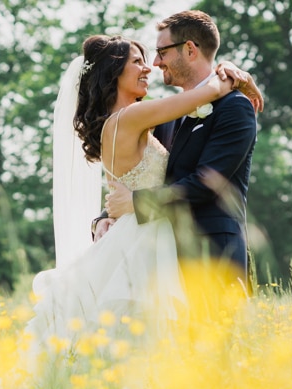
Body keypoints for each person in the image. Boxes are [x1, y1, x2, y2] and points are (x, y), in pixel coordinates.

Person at [25, 32, 261, 352]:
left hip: (152, 237)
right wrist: (230, 73)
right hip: (148, 242)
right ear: (113, 73)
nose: (149, 66)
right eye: (137, 61)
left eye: (153, 56)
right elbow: (208, 93)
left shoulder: (134, 119)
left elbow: (129, 187)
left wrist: (107, 216)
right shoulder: (134, 118)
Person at [105, 10, 260, 283]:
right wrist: (106, 217)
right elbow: (145, 174)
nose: (155, 62)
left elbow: (206, 183)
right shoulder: (167, 114)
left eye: (162, 52)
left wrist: (134, 202)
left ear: (189, 49)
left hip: (214, 254)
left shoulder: (235, 107)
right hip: (161, 259)